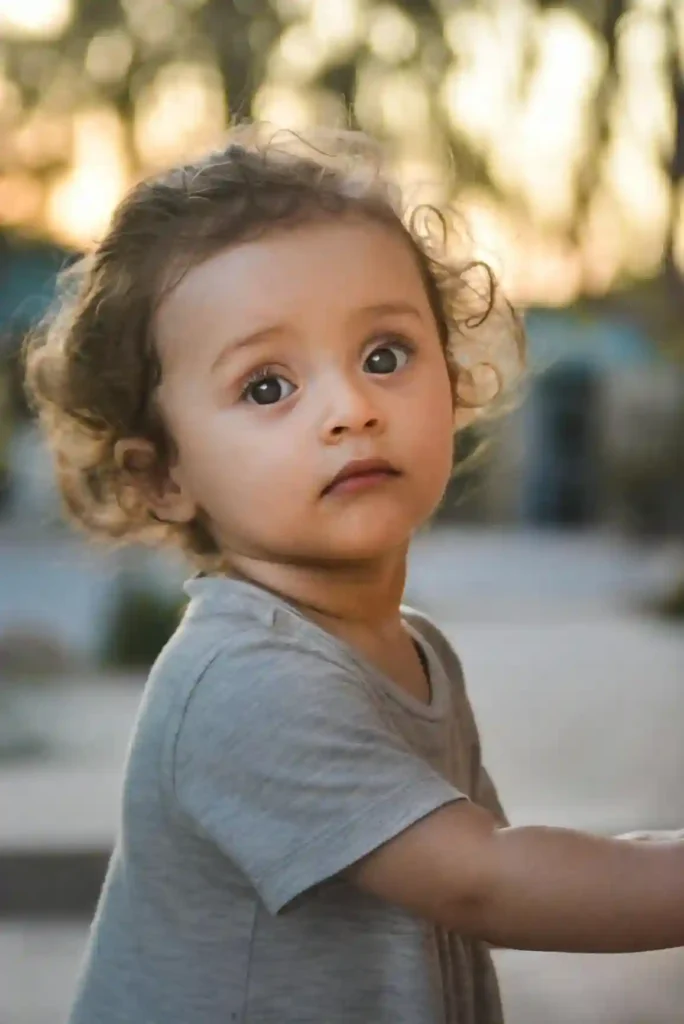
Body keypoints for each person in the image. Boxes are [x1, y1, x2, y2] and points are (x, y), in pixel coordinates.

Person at [24, 124, 684, 1024]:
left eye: (385, 356)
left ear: (452, 383)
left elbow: (500, 859)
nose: (352, 409)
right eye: (267, 386)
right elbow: (487, 884)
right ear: (163, 475)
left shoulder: (412, 648)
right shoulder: (245, 685)